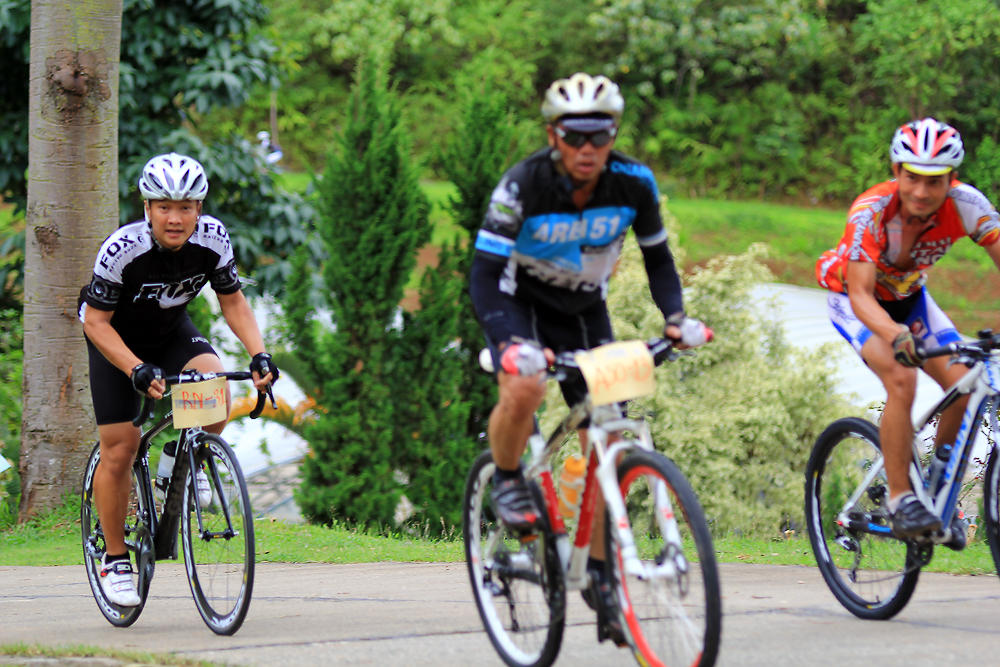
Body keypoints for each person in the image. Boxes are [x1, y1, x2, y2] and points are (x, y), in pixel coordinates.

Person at [469, 73, 710, 645]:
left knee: (609, 434)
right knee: (524, 387)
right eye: (573, 136)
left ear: (613, 135)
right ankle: (509, 479)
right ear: (553, 135)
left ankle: (602, 575)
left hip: (583, 312)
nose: (586, 148)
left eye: (598, 136)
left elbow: (658, 259)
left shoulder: (634, 182)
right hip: (518, 305)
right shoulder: (522, 185)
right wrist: (509, 344)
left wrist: (675, 318)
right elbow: (483, 273)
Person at [79, 153, 280, 607]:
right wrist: (134, 367)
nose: (175, 218)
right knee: (121, 448)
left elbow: (233, 302)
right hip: (115, 340)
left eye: (185, 207)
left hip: (169, 332)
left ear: (198, 209)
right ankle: (115, 559)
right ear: (147, 208)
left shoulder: (213, 239)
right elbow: (95, 323)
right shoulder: (121, 248)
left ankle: (177, 461)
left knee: (215, 388)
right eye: (164, 207)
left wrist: (258, 353)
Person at [816, 118, 1000, 543]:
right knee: (903, 378)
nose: (921, 191)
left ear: (952, 179)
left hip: (909, 297)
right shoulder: (870, 211)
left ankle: (939, 485)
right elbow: (861, 294)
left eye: (934, 181)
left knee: (965, 384)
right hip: (856, 300)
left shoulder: (968, 205)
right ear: (896, 171)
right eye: (912, 177)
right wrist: (897, 336)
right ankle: (901, 500)